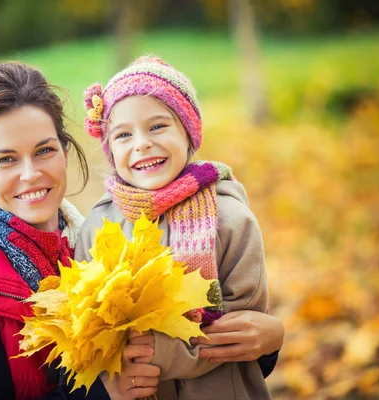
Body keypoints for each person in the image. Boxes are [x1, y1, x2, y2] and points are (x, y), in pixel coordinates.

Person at [0, 61, 160, 400]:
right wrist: (96, 396)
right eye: (6, 159)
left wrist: (261, 345)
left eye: (44, 150)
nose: (30, 173)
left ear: (64, 151)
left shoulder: (93, 246)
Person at [75, 55, 283, 399]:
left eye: (157, 126)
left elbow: (238, 332)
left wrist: (154, 352)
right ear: (110, 149)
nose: (141, 142)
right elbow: (90, 328)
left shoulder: (230, 218)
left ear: (188, 134)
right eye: (123, 134)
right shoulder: (99, 225)